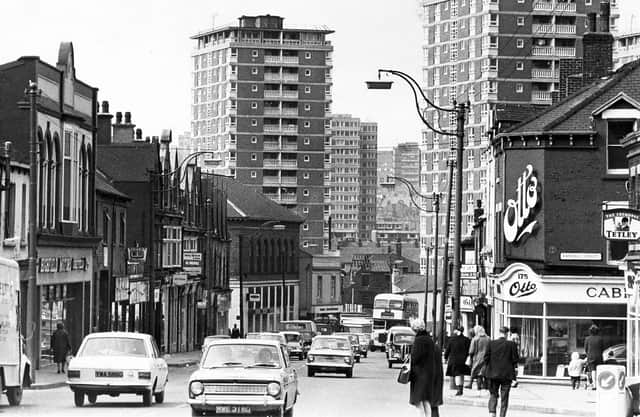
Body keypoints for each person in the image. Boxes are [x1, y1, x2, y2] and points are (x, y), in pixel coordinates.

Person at [483, 326, 519, 417]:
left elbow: (486, 358)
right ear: (507, 334)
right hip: (507, 375)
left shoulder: (491, 343)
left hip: (493, 373)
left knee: (493, 394)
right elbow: (515, 360)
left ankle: (492, 412)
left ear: (499, 333)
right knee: (504, 397)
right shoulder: (512, 344)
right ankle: (502, 415)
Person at [409, 318, 437, 417]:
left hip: (419, 375)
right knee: (426, 400)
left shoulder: (418, 340)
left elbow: (415, 358)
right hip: (429, 373)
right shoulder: (429, 340)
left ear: (415, 329)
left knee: (418, 401)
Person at [445, 325, 471, 396]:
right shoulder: (467, 340)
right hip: (463, 360)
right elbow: (469, 350)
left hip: (454, 360)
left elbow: (448, 350)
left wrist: (445, 357)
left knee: (457, 375)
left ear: (457, 331)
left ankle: (459, 390)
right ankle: (461, 389)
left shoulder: (452, 340)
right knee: (461, 374)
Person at [468, 325, 490, 390]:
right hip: (486, 358)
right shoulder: (488, 338)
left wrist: (471, 358)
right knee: (483, 372)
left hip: (477, 357)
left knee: (476, 371)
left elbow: (471, 351)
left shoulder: (475, 339)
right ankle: (486, 386)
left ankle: (477, 386)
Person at [584, 324, 604, 390]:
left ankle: (594, 385)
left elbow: (586, 349)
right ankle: (599, 385)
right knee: (599, 370)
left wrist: (588, 354)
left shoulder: (587, 339)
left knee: (593, 371)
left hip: (590, 356)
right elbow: (602, 348)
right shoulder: (600, 338)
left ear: (590, 331)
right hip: (598, 356)